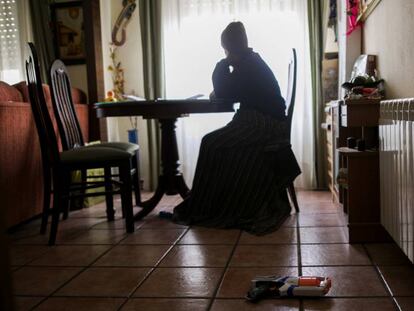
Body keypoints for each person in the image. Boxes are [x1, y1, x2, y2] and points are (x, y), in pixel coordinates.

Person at [173, 21, 301, 234]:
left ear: (230, 48)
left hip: (263, 124)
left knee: (210, 143)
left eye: (226, 50)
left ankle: (206, 205)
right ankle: (213, 202)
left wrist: (222, 64)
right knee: (215, 142)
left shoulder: (248, 66)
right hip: (264, 121)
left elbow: (223, 91)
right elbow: (229, 90)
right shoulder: (251, 62)